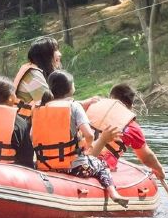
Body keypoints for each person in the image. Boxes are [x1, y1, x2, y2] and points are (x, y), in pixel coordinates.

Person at [29, 70, 126, 205]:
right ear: (70, 88)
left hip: (45, 166)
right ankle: (113, 193)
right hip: (76, 167)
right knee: (102, 165)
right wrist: (85, 148)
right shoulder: (74, 106)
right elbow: (89, 135)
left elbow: (32, 136)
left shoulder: (40, 108)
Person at [88, 83, 167, 181]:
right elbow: (146, 157)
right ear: (131, 105)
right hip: (100, 165)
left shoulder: (91, 108)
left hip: (77, 157)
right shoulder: (132, 127)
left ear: (111, 98)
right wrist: (159, 169)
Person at [13, 37, 61, 113]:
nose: (59, 54)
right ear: (45, 56)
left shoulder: (36, 71)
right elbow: (49, 104)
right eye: (55, 50)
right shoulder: (32, 75)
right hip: (25, 122)